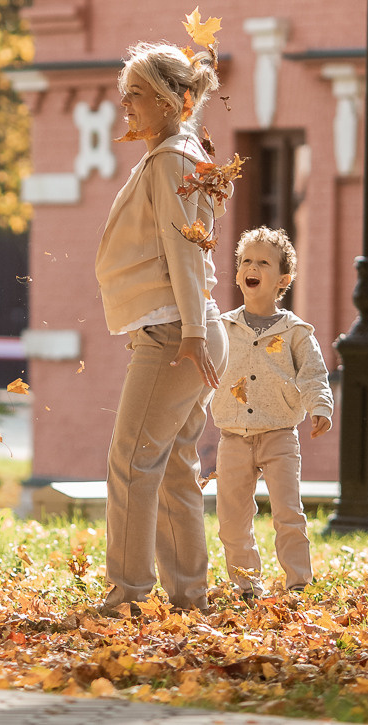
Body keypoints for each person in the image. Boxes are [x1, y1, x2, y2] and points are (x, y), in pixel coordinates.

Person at [94, 41, 228, 615]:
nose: (126, 105)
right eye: (124, 95)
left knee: (132, 460)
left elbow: (186, 248)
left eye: (139, 95)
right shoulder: (177, 154)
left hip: (177, 335)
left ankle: (128, 593)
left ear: (178, 100)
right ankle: (188, 597)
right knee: (173, 466)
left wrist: (193, 332)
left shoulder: (174, 156)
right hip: (184, 329)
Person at [212, 227, 332, 597]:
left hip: (279, 433)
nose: (252, 267)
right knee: (232, 519)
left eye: (263, 262)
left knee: (288, 514)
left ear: (283, 279)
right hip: (232, 434)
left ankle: (298, 583)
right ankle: (247, 585)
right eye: (246, 260)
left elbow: (313, 373)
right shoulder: (223, 327)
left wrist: (321, 405)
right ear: (237, 274)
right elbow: (205, 369)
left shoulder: (295, 331)